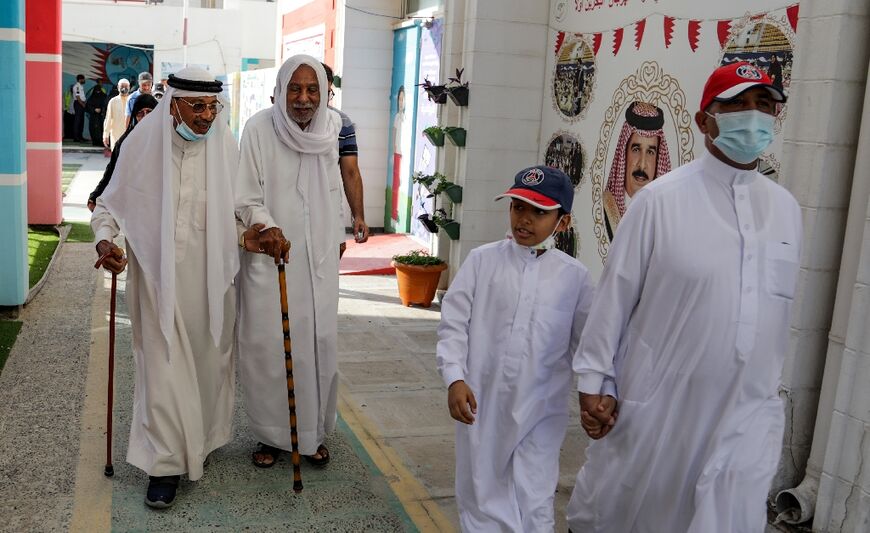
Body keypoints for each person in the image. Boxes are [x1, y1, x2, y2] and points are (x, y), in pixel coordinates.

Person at [566, 61, 799, 532]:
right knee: (629, 513)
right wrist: (593, 380)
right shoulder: (658, 201)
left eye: (763, 104)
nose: (753, 115)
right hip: (662, 406)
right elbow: (615, 297)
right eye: (736, 104)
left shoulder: (786, 210)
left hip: (745, 415)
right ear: (704, 121)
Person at [91, 67, 240, 509]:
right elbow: (109, 206)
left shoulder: (225, 147)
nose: (207, 116)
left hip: (210, 284)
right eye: (197, 106)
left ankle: (199, 442)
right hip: (157, 283)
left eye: (213, 107)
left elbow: (242, 208)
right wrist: (106, 241)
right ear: (173, 103)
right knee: (161, 371)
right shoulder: (141, 145)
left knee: (207, 367)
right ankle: (164, 464)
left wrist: (256, 230)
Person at [437, 165, 595, 531]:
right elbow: (454, 324)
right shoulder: (482, 262)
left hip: (541, 411)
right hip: (483, 405)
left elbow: (589, 345)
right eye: (518, 207)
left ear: (563, 221)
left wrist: (598, 391)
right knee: (483, 496)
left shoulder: (575, 278)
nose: (524, 219)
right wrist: (454, 378)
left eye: (539, 212)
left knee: (535, 499)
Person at [235, 55, 343, 469]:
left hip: (318, 263)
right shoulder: (258, 129)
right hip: (272, 257)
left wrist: (337, 237)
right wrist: (267, 227)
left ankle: (311, 433)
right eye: (295, 89)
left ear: (324, 93)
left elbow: (333, 189)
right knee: (269, 348)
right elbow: (246, 195)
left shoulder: (331, 128)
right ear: (280, 91)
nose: (303, 98)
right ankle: (271, 435)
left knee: (317, 345)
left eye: (312, 89)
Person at [603, 101, 672, 240]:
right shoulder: (607, 208)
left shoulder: (666, 217)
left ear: (658, 160)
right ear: (624, 154)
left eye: (650, 152)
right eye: (636, 150)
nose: (642, 164)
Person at [321, 63, 369, 258]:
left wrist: (358, 216)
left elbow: (350, 172)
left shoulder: (342, 123)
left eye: (327, 93)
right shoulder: (279, 125)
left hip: (328, 211)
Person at [87, 94, 158, 211]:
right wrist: (95, 195)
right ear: (135, 116)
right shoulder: (126, 142)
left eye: (149, 112)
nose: (145, 117)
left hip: (157, 200)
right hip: (133, 200)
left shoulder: (165, 139)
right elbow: (112, 170)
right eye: (140, 113)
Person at [103, 78, 131, 150]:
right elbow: (108, 119)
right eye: (122, 86)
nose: (124, 88)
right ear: (118, 87)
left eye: (126, 86)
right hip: (116, 135)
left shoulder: (132, 100)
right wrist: (106, 135)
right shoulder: (113, 101)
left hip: (130, 134)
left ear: (129, 87)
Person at [70, 74, 87, 142]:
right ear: (80, 79)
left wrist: (84, 102)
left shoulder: (81, 86)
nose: (84, 80)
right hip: (78, 104)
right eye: (83, 79)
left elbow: (82, 96)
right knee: (77, 121)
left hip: (81, 104)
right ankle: (76, 137)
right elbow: (77, 96)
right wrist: (82, 104)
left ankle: (80, 136)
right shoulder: (76, 87)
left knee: (81, 121)